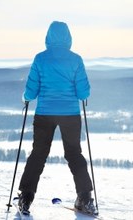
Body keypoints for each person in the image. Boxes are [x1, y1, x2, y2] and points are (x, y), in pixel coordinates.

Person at [17, 21, 97, 215]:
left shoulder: (40, 59)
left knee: (38, 154)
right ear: (69, 38)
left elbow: (31, 91)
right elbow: (83, 92)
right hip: (70, 114)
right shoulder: (76, 59)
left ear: (48, 37)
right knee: (74, 154)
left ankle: (26, 198)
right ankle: (85, 199)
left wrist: (25, 98)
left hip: (45, 113)